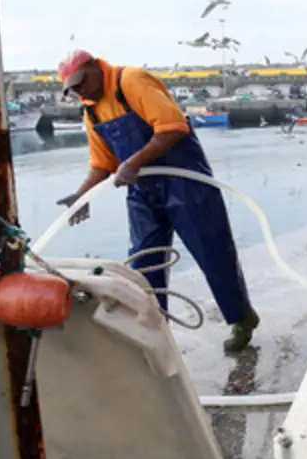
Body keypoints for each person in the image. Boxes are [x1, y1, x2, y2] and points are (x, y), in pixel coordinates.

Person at [56, 49, 260, 352]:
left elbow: (172, 127)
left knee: (213, 253)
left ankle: (241, 317)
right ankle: (156, 335)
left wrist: (134, 162)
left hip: (186, 182)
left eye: (81, 82)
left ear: (95, 67)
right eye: (72, 88)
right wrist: (82, 194)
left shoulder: (131, 81)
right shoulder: (92, 110)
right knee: (143, 266)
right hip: (142, 192)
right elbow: (102, 163)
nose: (79, 91)